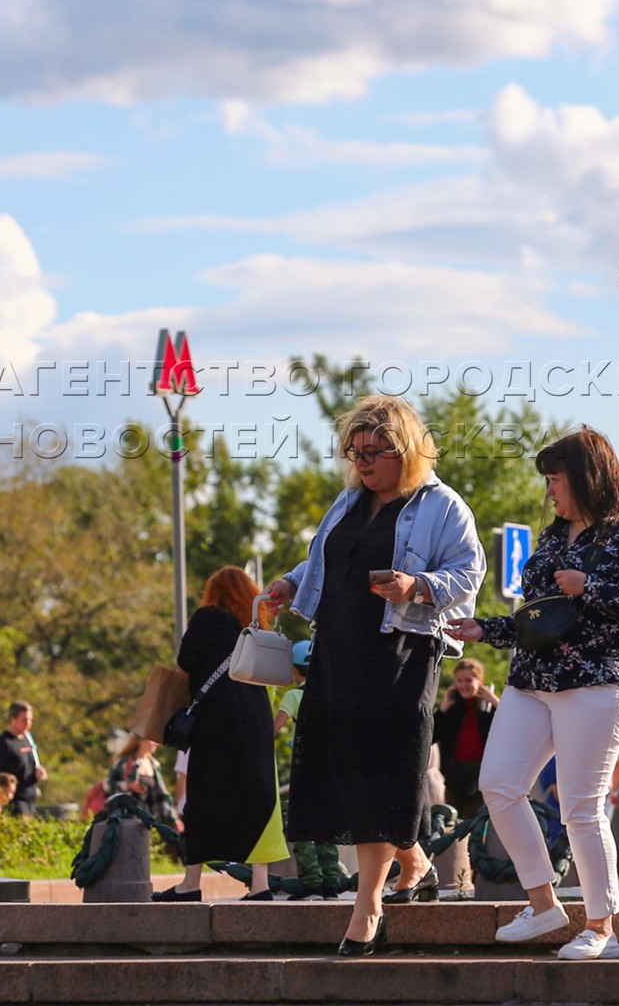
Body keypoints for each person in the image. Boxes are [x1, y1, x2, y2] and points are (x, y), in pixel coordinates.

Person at [264, 395, 484, 955]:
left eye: (374, 451)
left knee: (380, 768)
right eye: (353, 451)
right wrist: (291, 583)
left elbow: (468, 573)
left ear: (404, 450)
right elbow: (323, 556)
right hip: (337, 647)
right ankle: (414, 860)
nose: (361, 462)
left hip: (400, 651)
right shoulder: (348, 500)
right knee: (342, 763)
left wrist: (418, 586)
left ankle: (368, 908)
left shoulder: (442, 505)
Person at [446, 426, 619, 962]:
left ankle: (601, 928)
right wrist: (487, 630)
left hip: (599, 681)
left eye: (555, 480)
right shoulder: (550, 538)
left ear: (585, 478)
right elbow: (538, 618)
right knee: (498, 783)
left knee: (581, 807)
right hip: (532, 679)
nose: (549, 491)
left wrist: (589, 587)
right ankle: (543, 903)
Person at [155, 567, 290, 903]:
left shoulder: (207, 617)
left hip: (215, 718)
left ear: (214, 592)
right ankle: (260, 885)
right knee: (258, 792)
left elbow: (185, 659)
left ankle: (191, 883)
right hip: (256, 717)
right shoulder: (255, 622)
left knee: (204, 794)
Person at [273, 640, 348, 900]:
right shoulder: (333, 694)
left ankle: (311, 881)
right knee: (327, 825)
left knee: (302, 825)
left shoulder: (294, 696)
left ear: (296, 670)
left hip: (305, 767)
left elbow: (273, 729)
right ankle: (331, 883)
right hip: (330, 766)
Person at [432, 657, 498, 819]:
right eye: (460, 681)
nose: (464, 685)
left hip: (481, 778)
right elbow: (431, 737)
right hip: (455, 776)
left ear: (479, 681)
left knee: (471, 826)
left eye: (469, 680)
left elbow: (512, 730)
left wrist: (496, 702)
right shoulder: (452, 710)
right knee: (451, 826)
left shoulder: (487, 710)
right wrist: (443, 708)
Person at [0, 702, 48, 817]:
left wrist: (38, 772)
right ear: (13, 719)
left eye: (30, 720)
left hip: (31, 802)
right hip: (14, 804)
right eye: (24, 720)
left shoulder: (27, 739)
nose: (28, 724)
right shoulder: (3, 743)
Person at [105, 735, 178, 831]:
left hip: (150, 823)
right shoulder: (125, 762)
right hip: (127, 821)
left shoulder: (153, 765)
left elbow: (162, 796)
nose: (156, 744)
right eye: (152, 740)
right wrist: (127, 785)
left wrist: (173, 818)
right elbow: (108, 785)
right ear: (141, 741)